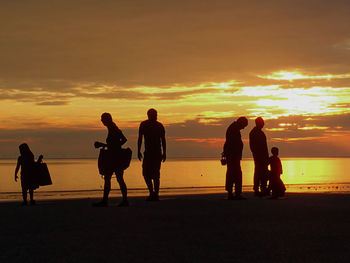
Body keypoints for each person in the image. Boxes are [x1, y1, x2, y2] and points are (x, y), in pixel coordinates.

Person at [93, 113, 129, 207]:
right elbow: (123, 140)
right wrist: (115, 147)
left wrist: (103, 145)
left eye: (102, 119)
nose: (101, 121)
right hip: (115, 156)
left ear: (107, 119)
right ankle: (121, 200)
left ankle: (108, 201)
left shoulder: (113, 128)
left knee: (113, 178)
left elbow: (122, 141)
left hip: (114, 158)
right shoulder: (113, 128)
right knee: (115, 178)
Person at [138, 108, 166, 201]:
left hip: (157, 153)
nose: (156, 116)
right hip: (148, 153)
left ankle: (155, 194)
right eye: (154, 115)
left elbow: (163, 140)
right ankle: (152, 193)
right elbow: (140, 138)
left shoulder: (159, 126)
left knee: (156, 175)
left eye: (156, 114)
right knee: (146, 174)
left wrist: (164, 153)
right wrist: (138, 151)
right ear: (149, 115)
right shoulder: (144, 125)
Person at [223, 117, 248, 200]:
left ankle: (234, 192)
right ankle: (234, 193)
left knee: (234, 174)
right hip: (233, 156)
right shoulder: (233, 129)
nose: (243, 128)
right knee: (234, 174)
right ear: (241, 123)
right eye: (244, 125)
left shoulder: (234, 128)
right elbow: (231, 143)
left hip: (233, 156)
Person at [249, 117, 269, 196]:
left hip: (262, 156)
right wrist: (258, 155)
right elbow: (253, 147)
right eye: (262, 123)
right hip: (259, 157)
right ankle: (257, 189)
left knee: (263, 173)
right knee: (258, 172)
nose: (263, 124)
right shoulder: (254, 132)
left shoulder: (260, 133)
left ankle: (262, 188)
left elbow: (265, 147)